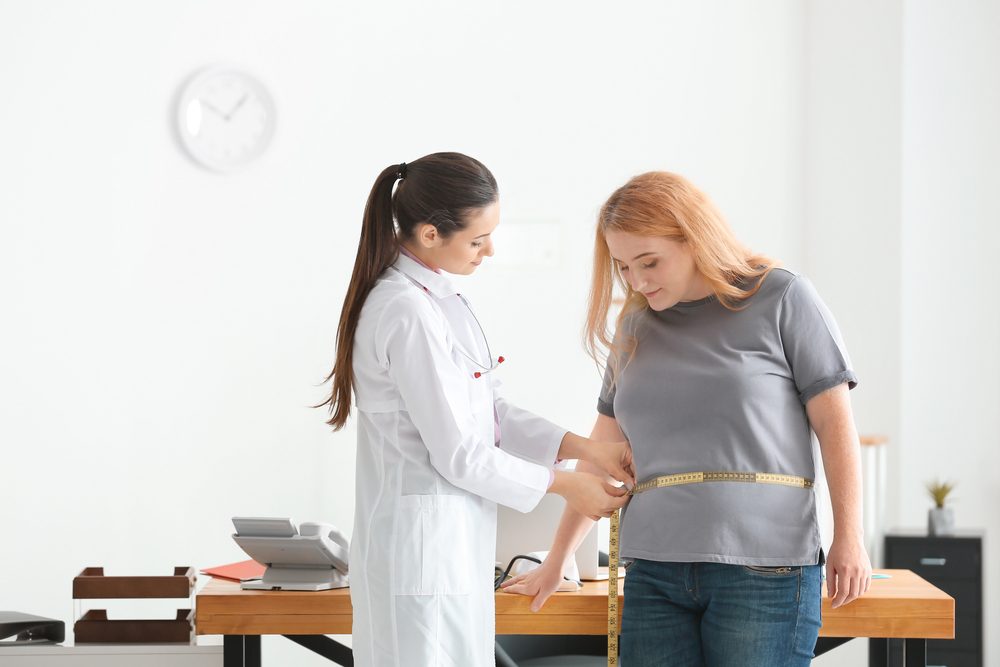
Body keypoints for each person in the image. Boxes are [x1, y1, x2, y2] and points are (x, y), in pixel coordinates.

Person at [502, 171, 872, 666]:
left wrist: (850, 536)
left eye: (649, 262)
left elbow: (835, 426)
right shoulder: (635, 326)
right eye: (624, 267)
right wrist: (558, 558)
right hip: (654, 572)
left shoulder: (781, 297)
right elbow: (600, 451)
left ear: (695, 237)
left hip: (765, 569)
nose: (637, 281)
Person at [319, 152, 635, 667]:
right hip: (418, 557)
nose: (489, 251)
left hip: (449, 551)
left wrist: (585, 449)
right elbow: (461, 455)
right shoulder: (405, 310)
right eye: (476, 239)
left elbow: (493, 414)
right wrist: (564, 483)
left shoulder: (443, 302)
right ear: (428, 234)